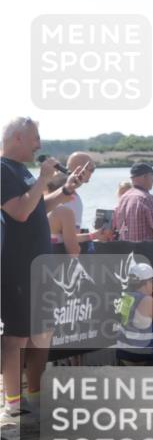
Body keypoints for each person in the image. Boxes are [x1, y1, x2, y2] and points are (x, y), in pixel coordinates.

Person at [1, 117, 83, 419]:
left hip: (39, 266)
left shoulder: (21, 171)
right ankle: (13, 400)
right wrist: (42, 178)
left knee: (42, 333)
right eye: (36, 137)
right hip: (16, 266)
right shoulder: (2, 170)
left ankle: (36, 395)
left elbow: (35, 206)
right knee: (17, 336)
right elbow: (20, 212)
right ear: (18, 138)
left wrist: (63, 191)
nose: (40, 144)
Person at [113, 163, 153, 242]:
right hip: (147, 252)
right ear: (145, 176)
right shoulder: (148, 199)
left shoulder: (123, 199)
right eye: (152, 176)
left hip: (127, 252)